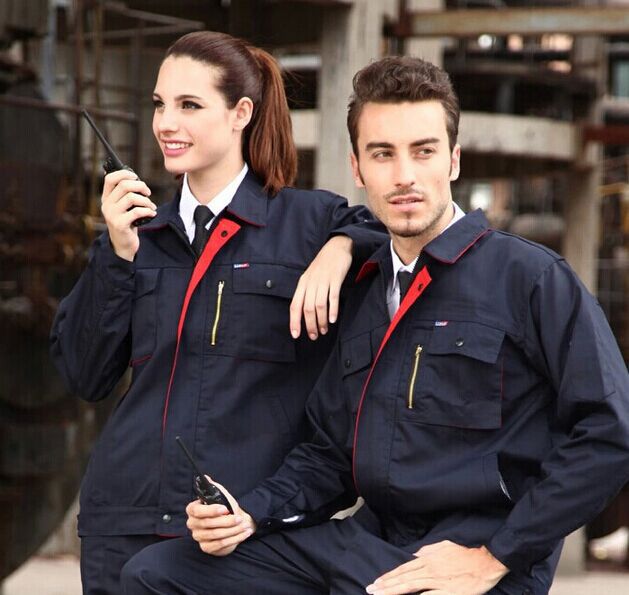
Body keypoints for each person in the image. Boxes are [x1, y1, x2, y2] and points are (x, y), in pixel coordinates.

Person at [120, 55, 629, 595]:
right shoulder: (364, 289)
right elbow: (330, 457)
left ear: (453, 160)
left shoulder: (529, 277)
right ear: (358, 168)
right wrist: (249, 513)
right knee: (158, 575)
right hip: (369, 544)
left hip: (472, 556)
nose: (404, 176)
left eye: (423, 151)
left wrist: (498, 554)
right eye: (382, 154)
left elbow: (611, 432)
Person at [50, 31, 384, 594]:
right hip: (125, 519)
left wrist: (342, 247)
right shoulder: (137, 235)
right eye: (159, 104)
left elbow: (392, 238)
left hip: (240, 527)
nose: (166, 123)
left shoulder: (312, 224)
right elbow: (84, 374)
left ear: (241, 114)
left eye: (189, 105)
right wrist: (118, 255)